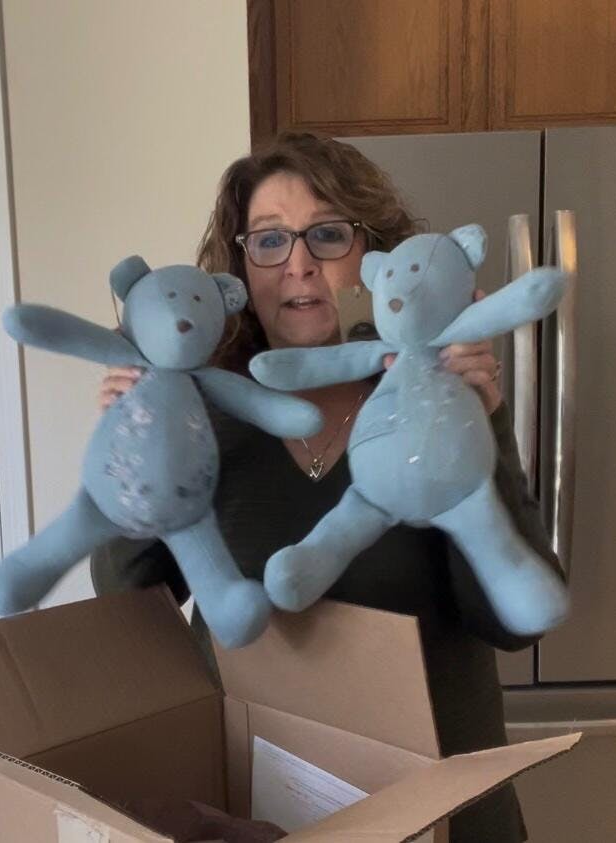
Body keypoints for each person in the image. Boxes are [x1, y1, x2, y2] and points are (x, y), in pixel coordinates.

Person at [90, 131, 563, 842]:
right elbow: (129, 608)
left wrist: (486, 420)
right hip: (262, 812)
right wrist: (128, 451)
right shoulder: (203, 419)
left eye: (328, 234)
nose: (299, 263)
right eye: (269, 240)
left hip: (439, 811)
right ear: (240, 271)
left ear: (374, 257)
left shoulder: (433, 412)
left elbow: (514, 623)